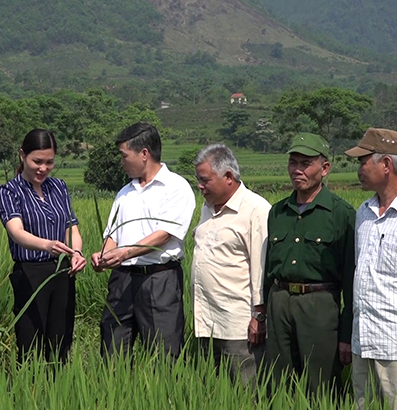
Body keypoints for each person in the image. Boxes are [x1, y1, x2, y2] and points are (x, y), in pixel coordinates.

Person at [91, 122, 196, 361]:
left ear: (144, 154)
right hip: (122, 280)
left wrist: (125, 253)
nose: (122, 162)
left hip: (159, 279)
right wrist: (104, 256)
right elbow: (112, 235)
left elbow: (165, 234)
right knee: (112, 348)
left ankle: (162, 398)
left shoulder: (176, 188)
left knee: (163, 353)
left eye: (124, 155)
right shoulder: (125, 193)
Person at [264, 133, 355, 395]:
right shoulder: (278, 212)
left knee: (321, 384)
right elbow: (268, 269)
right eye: (293, 163)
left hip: (319, 305)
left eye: (306, 163)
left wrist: (346, 332)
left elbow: (350, 279)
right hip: (279, 301)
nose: (297, 170)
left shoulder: (341, 214)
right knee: (278, 383)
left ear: (324, 168)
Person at [0, 129, 86, 363]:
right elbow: (16, 231)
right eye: (37, 161)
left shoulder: (59, 188)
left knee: (60, 344)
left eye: (49, 162)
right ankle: (31, 391)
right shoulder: (9, 191)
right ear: (22, 155)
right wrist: (46, 245)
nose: (43, 169)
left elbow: (71, 228)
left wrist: (76, 253)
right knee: (30, 344)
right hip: (30, 273)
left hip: (62, 271)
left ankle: (59, 392)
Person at [344, 128, 397, 409]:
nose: (359, 169)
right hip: (363, 342)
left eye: (364, 162)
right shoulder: (363, 212)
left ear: (386, 165)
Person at [191, 144, 270, 384]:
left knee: (245, 393)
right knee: (214, 392)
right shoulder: (207, 208)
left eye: (205, 180)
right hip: (206, 321)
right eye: (197, 180)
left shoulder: (256, 210)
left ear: (228, 177)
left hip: (238, 325)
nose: (200, 186)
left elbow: (261, 268)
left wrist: (259, 316)